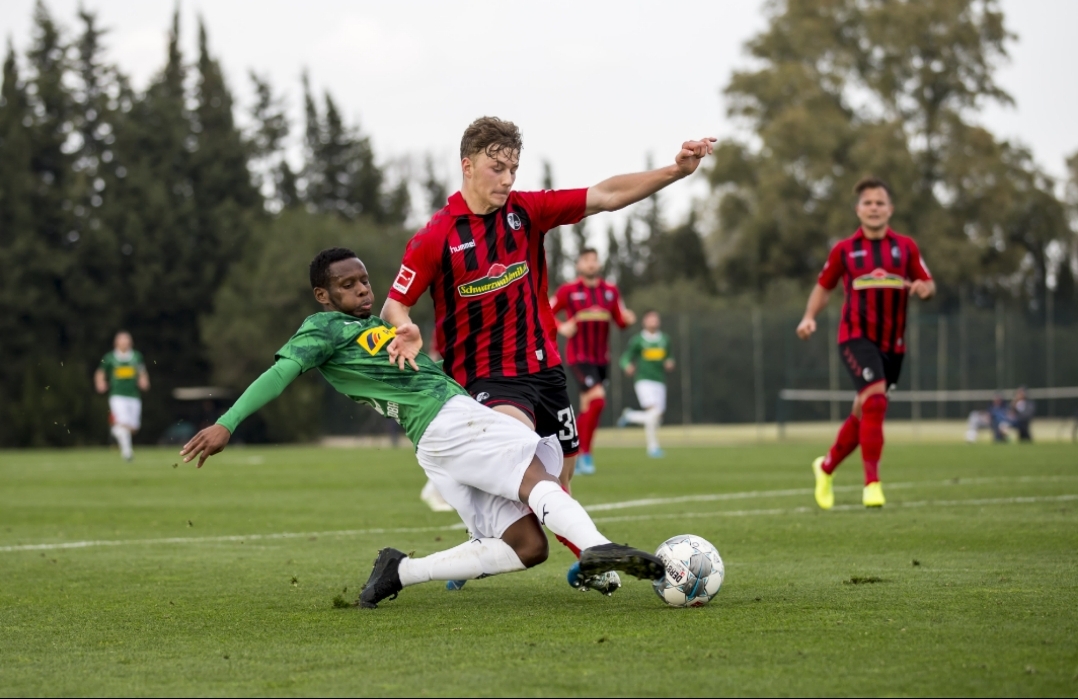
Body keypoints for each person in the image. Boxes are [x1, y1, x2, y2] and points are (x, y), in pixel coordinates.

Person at [178, 248, 665, 608]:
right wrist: (226, 423)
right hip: (447, 421)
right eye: (347, 285)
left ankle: (401, 571)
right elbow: (279, 373)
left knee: (528, 547)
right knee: (536, 475)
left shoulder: (380, 329)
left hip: (437, 439)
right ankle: (596, 548)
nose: (362, 289)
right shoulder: (323, 328)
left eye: (365, 280)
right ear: (323, 296)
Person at [380, 116, 714, 591]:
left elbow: (605, 195)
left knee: (561, 481)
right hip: (487, 380)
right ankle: (589, 553)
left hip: (546, 370)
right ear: (467, 165)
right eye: (497, 168)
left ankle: (497, 546)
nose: (507, 179)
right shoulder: (437, 235)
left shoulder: (526, 212)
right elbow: (394, 304)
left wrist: (676, 171)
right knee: (526, 466)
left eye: (513, 169)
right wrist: (405, 326)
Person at [796, 177, 935, 509]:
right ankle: (872, 484)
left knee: (865, 411)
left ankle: (826, 467)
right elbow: (824, 286)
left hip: (893, 345)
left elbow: (927, 282)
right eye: (868, 203)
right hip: (855, 338)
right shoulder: (844, 250)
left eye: (880, 203)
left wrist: (923, 289)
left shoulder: (906, 247)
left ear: (890, 209)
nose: (874, 208)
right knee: (875, 402)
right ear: (858, 210)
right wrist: (809, 316)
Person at [550, 248, 636, 475]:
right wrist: (561, 326)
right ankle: (585, 453)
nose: (591, 263)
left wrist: (628, 319)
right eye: (586, 260)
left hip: (601, 359)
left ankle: (574, 454)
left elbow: (620, 321)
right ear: (578, 265)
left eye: (594, 260)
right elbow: (544, 311)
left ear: (599, 264)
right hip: (579, 357)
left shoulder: (611, 291)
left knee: (589, 408)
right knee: (598, 400)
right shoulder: (568, 290)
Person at [616, 310, 675, 458]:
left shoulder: (665, 339)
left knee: (657, 417)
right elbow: (626, 357)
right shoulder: (638, 340)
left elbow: (669, 357)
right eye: (650, 319)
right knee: (654, 412)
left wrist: (670, 362)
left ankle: (630, 416)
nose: (653, 322)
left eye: (655, 319)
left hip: (660, 380)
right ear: (644, 322)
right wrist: (627, 366)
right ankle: (653, 448)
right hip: (644, 380)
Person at [94, 331, 150, 461]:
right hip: (117, 395)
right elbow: (100, 372)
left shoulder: (136, 356)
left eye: (127, 340)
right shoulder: (109, 358)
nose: (124, 343)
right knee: (123, 422)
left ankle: (115, 430)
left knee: (134, 427)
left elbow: (142, 372)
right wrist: (100, 383)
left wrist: (144, 381)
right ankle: (127, 452)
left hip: (134, 395)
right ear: (116, 343)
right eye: (122, 340)